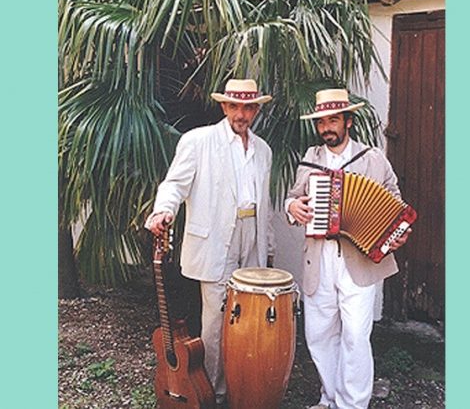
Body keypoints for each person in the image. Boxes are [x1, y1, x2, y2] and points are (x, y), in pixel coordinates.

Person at [145, 79, 276, 407]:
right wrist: (163, 210)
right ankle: (213, 393)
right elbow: (175, 184)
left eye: (248, 107)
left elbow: (266, 203)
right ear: (223, 106)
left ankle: (242, 387)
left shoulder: (263, 150)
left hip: (252, 235)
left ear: (256, 109)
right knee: (216, 321)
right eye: (234, 106)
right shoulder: (198, 141)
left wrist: (268, 247)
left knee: (248, 321)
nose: (241, 114)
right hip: (217, 239)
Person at [285, 89, 411, 409]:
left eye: (333, 120)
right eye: (321, 121)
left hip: (359, 259)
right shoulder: (309, 160)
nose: (327, 127)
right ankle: (329, 397)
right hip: (319, 257)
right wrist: (292, 208)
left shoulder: (372, 158)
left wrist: (398, 232)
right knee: (319, 333)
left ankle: (352, 404)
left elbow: (395, 201)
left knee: (355, 335)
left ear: (348, 121)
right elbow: (293, 198)